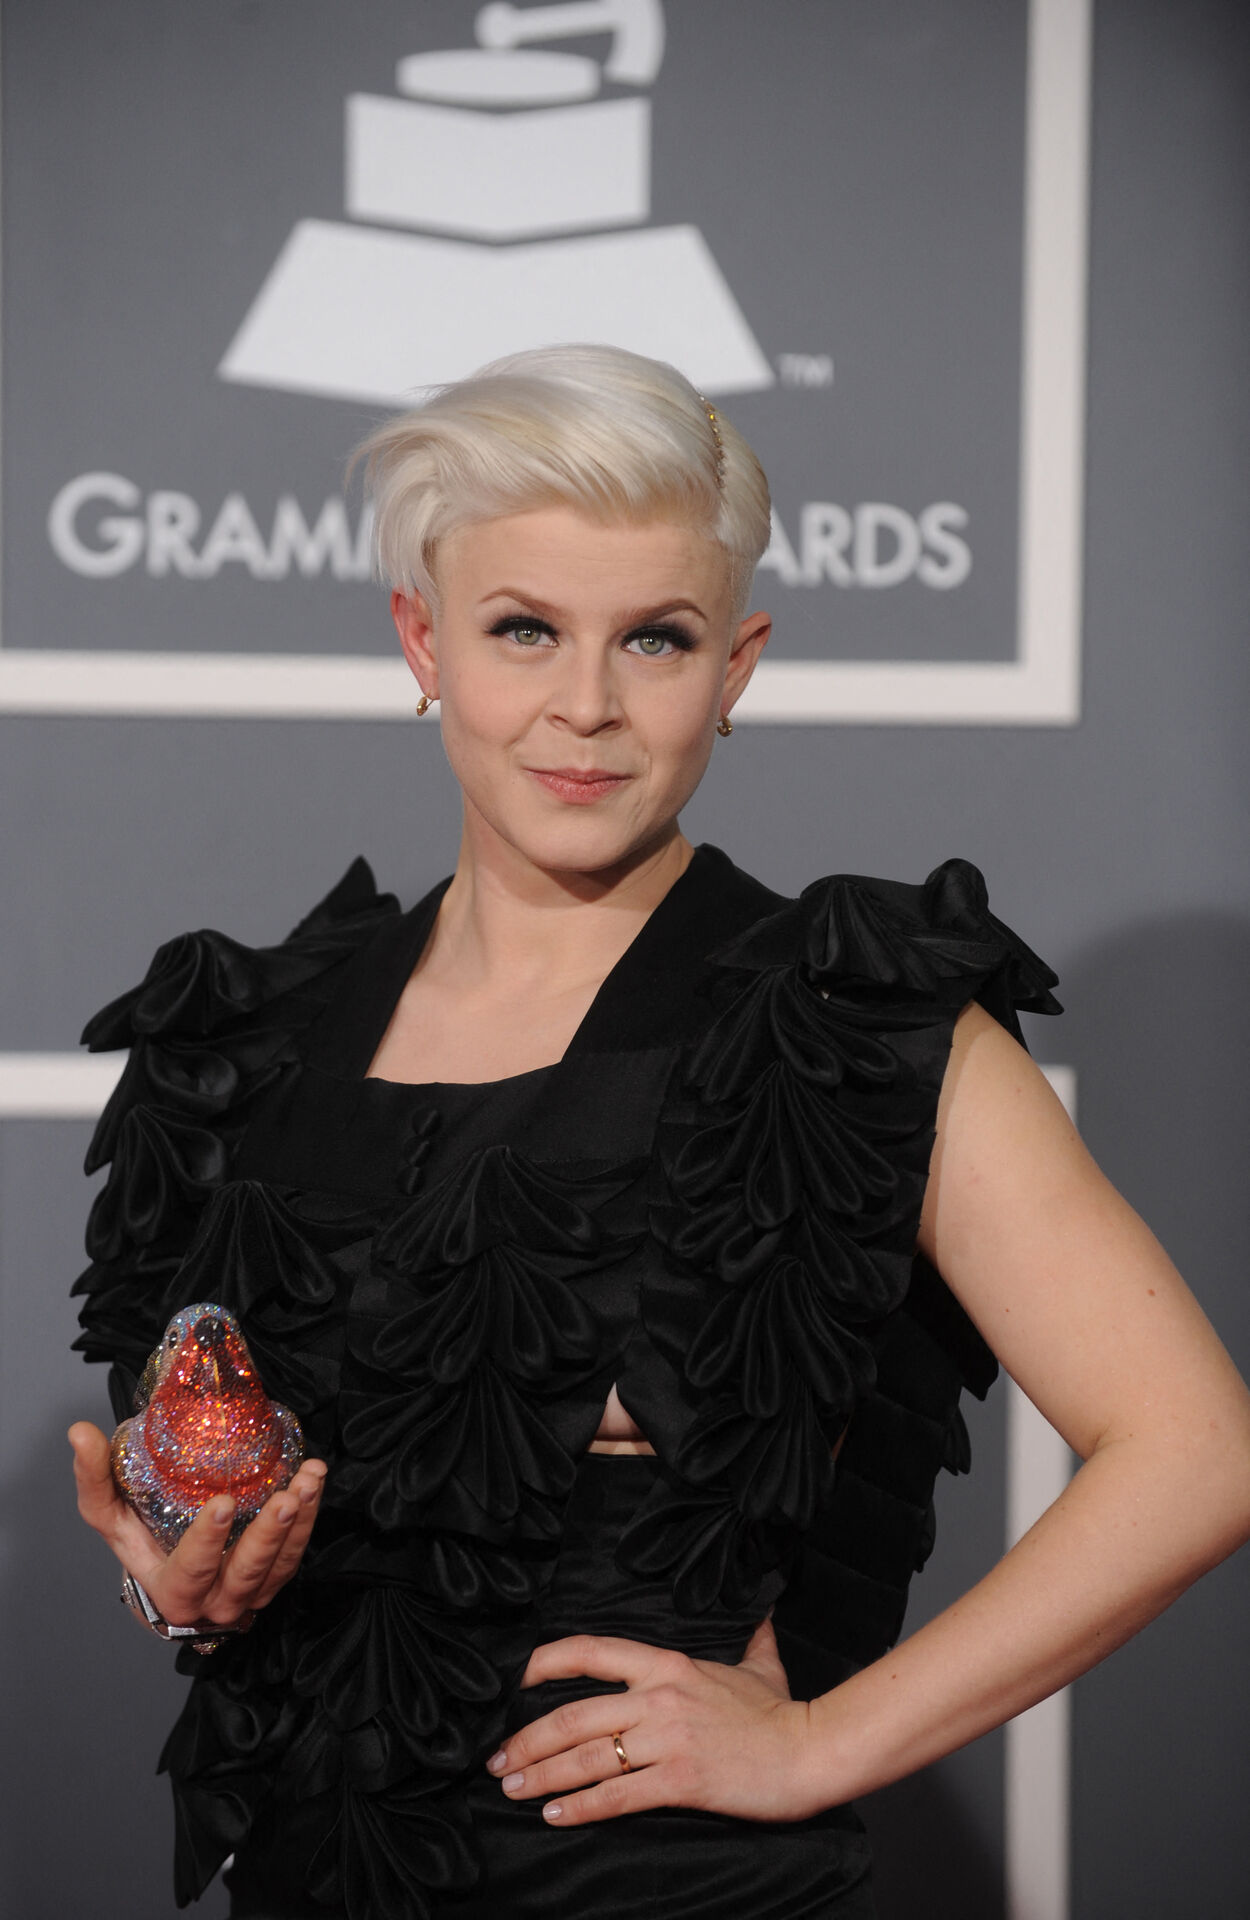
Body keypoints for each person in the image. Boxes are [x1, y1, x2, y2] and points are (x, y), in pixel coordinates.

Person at [69, 344, 1250, 1919]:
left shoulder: (847, 1029)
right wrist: (186, 1592)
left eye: (657, 639)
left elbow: (1192, 1454)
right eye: (523, 630)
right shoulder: (243, 1044)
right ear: (423, 641)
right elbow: (211, 1515)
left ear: (736, 666)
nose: (588, 705)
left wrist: (821, 1744)